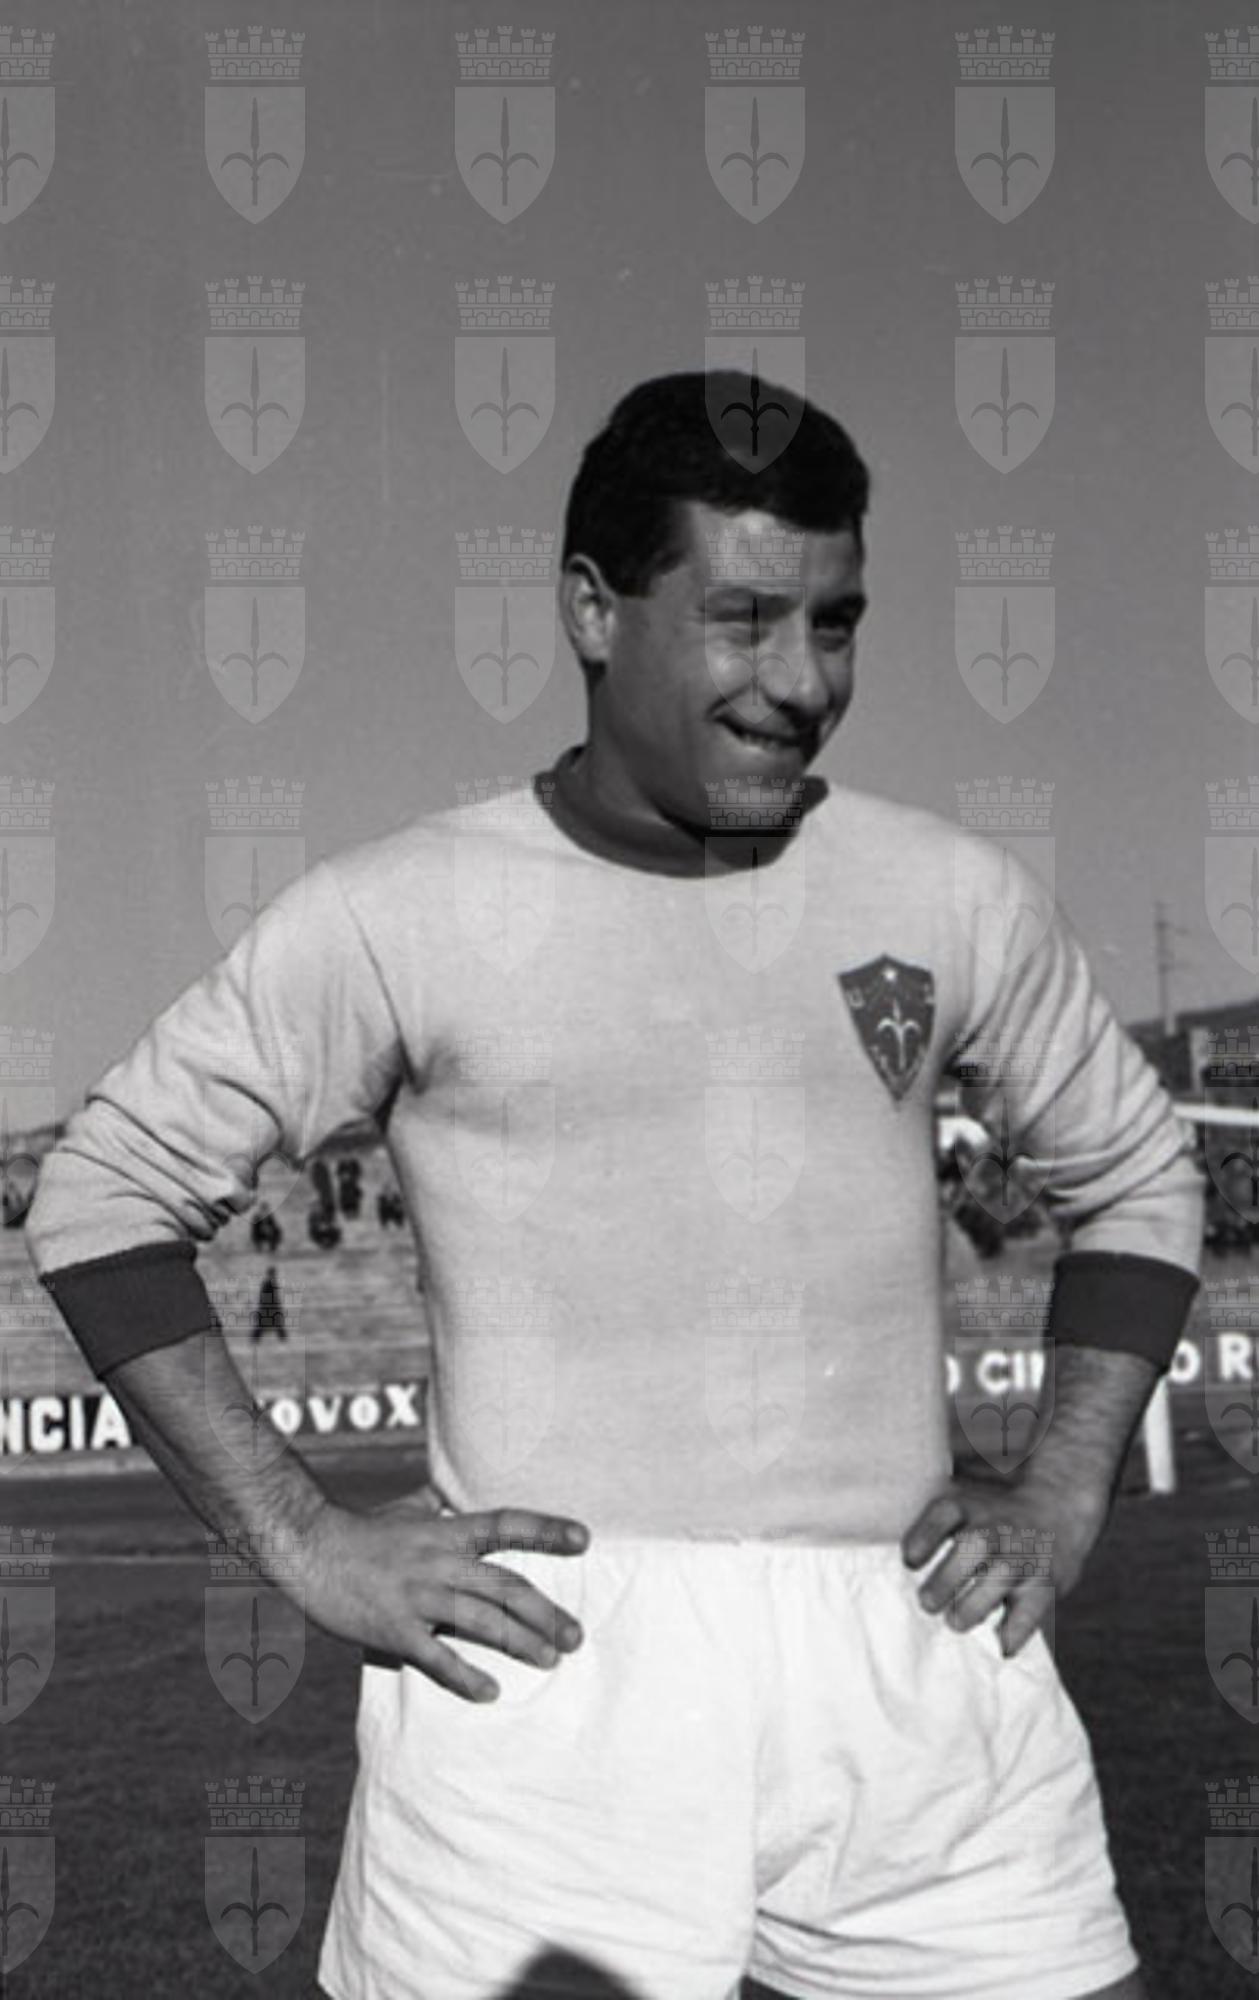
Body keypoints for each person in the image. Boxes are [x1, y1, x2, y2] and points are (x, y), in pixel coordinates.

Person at [24, 372, 1202, 2000]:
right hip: (545, 1677)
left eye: (837, 623)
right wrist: (301, 1539)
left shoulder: (946, 894)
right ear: (592, 608)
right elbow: (105, 1193)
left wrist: (1066, 1486)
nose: (803, 682)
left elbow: (1137, 1175)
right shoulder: (401, 911)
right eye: (743, 621)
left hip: (916, 1650)